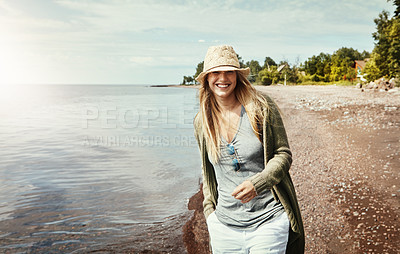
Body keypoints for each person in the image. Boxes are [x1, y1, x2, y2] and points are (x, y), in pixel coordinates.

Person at [193, 45, 305, 254]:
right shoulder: (202, 122)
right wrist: (210, 213)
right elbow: (206, 169)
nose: (222, 78)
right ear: (207, 78)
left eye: (228, 71)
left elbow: (283, 153)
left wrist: (259, 182)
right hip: (224, 227)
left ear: (237, 75)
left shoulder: (261, 106)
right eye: (216, 72)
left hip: (268, 221)